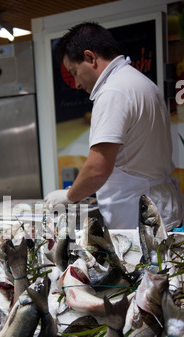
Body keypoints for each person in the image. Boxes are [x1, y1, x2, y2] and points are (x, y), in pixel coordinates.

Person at [44, 21, 184, 231]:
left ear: (90, 58)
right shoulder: (141, 82)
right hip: (160, 208)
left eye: (74, 72)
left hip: (140, 220)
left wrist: (68, 195)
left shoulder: (113, 92)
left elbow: (97, 169)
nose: (77, 84)